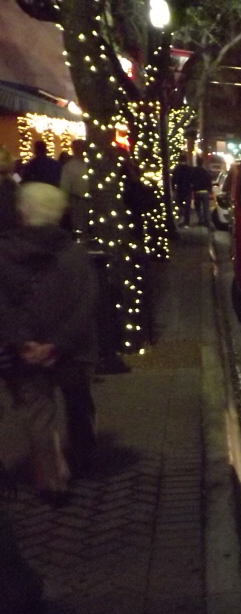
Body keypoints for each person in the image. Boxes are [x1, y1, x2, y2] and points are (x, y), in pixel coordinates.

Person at [0, 183, 98, 503]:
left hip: (25, 353)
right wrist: (56, 344)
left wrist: (23, 343)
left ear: (24, 211)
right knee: (78, 401)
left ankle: (51, 482)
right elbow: (85, 304)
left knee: (38, 415)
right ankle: (84, 458)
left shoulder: (5, 252)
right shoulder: (74, 253)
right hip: (69, 350)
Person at [58, 140, 90, 237]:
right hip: (78, 201)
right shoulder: (69, 167)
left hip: (93, 200)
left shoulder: (91, 164)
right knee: (79, 227)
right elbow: (64, 187)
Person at [190, 160, 213, 226]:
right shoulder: (205, 172)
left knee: (197, 206)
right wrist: (210, 190)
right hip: (205, 192)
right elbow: (209, 181)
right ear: (202, 163)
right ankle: (206, 220)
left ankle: (200, 218)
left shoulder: (194, 171)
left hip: (197, 191)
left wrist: (192, 189)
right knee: (206, 207)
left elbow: (191, 180)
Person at [173, 157, 194, 226]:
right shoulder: (189, 169)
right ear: (186, 160)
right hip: (187, 189)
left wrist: (173, 188)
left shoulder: (177, 169)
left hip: (180, 189)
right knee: (187, 207)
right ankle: (186, 221)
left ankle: (180, 219)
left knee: (180, 205)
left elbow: (174, 179)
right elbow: (192, 179)